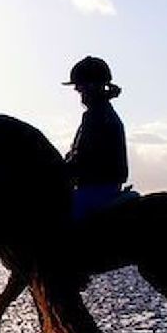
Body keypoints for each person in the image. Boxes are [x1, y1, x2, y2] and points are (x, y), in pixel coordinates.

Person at [61, 55, 133, 221]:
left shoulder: (98, 116)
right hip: (101, 186)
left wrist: (59, 171)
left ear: (92, 86)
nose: (77, 90)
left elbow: (83, 158)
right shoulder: (98, 113)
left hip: (96, 188)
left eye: (80, 87)